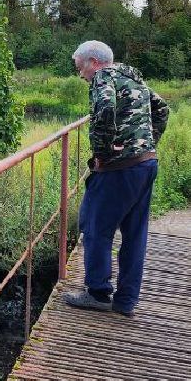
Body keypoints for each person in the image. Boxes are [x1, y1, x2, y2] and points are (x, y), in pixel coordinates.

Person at [62, 40, 169, 318]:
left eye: (80, 68)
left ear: (93, 62)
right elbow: (162, 109)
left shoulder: (102, 77)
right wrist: (145, 143)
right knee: (135, 234)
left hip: (118, 169)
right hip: (146, 164)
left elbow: (105, 109)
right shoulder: (133, 78)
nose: (81, 75)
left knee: (94, 225)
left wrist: (104, 152)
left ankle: (97, 293)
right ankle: (126, 301)